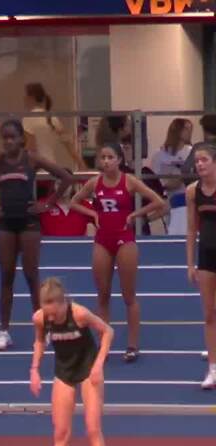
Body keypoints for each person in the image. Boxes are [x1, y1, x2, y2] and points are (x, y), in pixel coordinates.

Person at [0, 119, 75, 351]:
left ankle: (44, 328)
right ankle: (4, 331)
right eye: (5, 137)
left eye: (12, 137)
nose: (8, 141)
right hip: (6, 223)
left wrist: (48, 203)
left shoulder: (32, 159)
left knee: (31, 276)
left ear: (21, 139)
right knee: (6, 276)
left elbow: (66, 177)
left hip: (29, 223)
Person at [69, 143, 166, 363]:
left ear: (119, 160)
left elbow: (158, 201)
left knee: (128, 296)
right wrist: (93, 214)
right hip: (103, 240)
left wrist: (135, 215)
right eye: (102, 157)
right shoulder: (95, 183)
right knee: (103, 295)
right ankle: (103, 344)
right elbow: (74, 202)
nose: (105, 161)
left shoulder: (129, 181)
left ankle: (132, 345)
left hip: (125, 240)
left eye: (110, 157)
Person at [30, 277, 114, 446]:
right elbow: (39, 341)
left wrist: (98, 365)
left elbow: (108, 331)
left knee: (93, 428)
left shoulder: (79, 314)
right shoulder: (40, 318)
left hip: (88, 370)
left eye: (54, 313)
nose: (50, 318)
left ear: (62, 303)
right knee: (60, 433)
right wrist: (34, 369)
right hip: (63, 372)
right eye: (47, 313)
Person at [184, 143, 216, 389]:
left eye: (204, 160)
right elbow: (191, 229)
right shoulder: (193, 191)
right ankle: (213, 369)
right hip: (206, 256)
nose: (200, 164)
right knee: (209, 314)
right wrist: (190, 263)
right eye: (197, 161)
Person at [151, 118, 193, 234]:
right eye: (186, 128)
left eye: (190, 129)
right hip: (166, 197)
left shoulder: (191, 152)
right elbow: (155, 179)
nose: (189, 132)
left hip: (186, 199)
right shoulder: (159, 154)